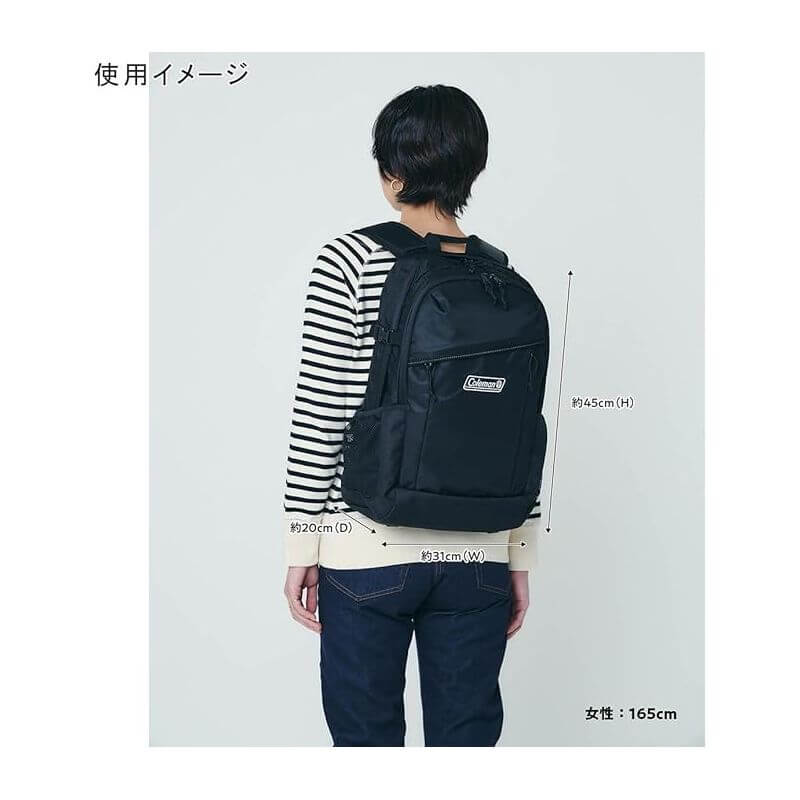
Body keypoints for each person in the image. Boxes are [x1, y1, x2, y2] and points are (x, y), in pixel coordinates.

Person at [282, 85, 542, 746]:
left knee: (366, 748)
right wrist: (518, 553)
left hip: (367, 548)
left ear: (391, 171)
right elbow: (520, 424)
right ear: (473, 168)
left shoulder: (349, 260)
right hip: (480, 554)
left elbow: (322, 411)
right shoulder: (499, 277)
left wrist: (303, 543)